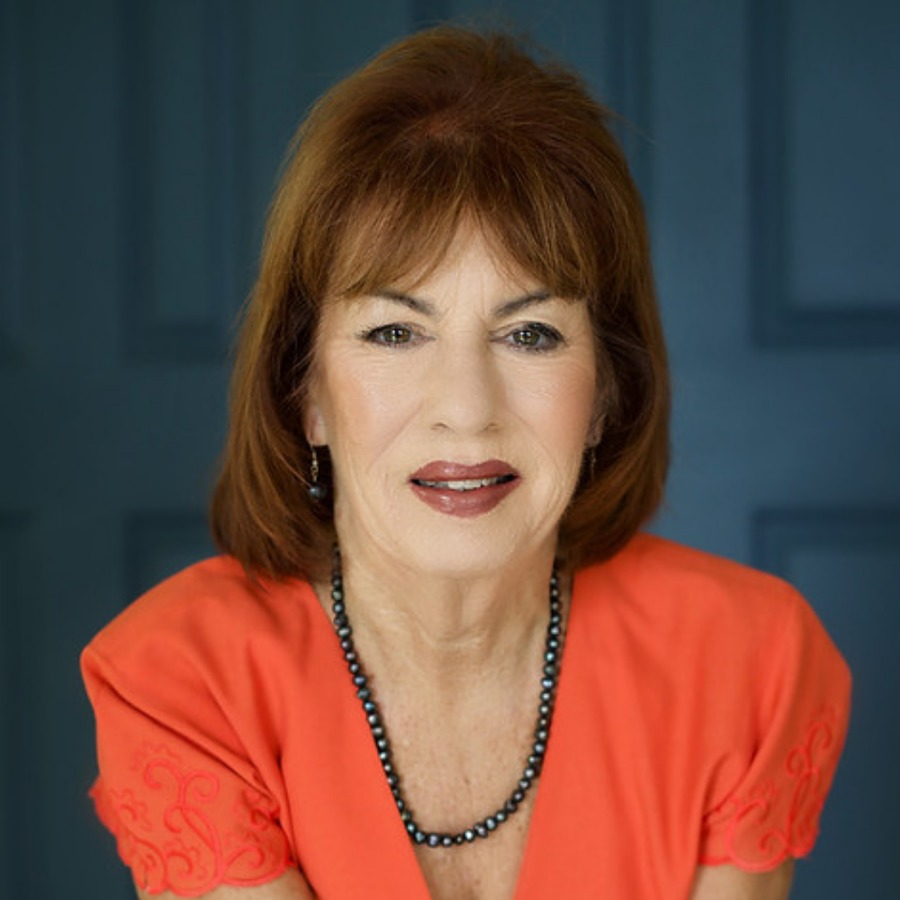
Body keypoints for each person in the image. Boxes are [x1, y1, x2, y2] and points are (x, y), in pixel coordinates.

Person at [81, 25, 851, 900]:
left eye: (530, 334)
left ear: (605, 393)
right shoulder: (180, 682)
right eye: (394, 332)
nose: (466, 407)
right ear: (308, 392)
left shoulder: (749, 661)